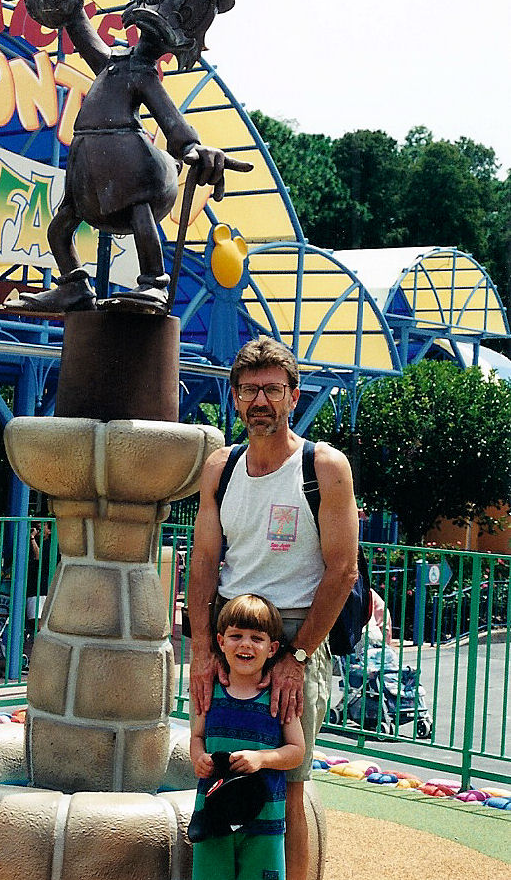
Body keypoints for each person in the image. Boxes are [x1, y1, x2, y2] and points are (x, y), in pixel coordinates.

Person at [188, 336, 359, 880]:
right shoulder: (221, 467)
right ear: (235, 397)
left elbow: (343, 569)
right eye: (249, 390)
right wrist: (199, 647)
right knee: (216, 762)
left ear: (293, 395)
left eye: (272, 390)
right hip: (229, 631)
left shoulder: (324, 467)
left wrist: (298, 655)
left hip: (293, 631)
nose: (260, 402)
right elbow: (204, 560)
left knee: (288, 781)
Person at [190, 594, 305, 880]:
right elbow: (197, 736)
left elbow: (297, 751)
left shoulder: (279, 698)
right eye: (236, 635)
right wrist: (198, 758)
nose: (245, 644)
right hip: (214, 819)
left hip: (264, 825)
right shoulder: (211, 692)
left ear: (272, 648)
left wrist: (261, 759)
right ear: (220, 642)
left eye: (257, 638)